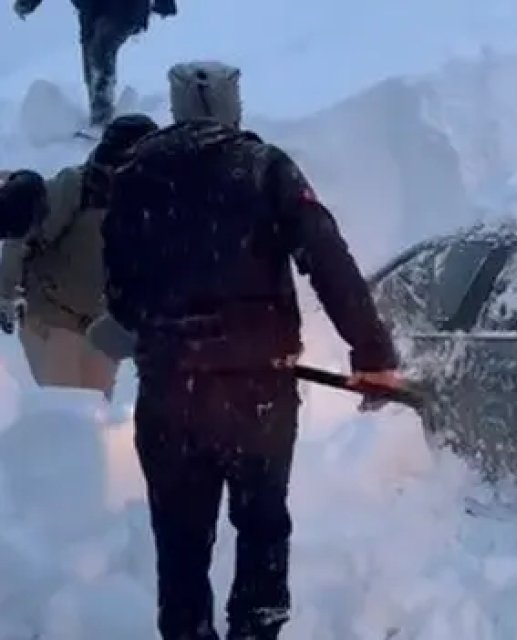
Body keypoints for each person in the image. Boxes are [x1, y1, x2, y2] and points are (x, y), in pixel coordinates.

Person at [98, 60, 402, 640]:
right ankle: (257, 630)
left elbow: (119, 296)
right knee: (262, 525)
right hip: (257, 394)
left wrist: (168, 329)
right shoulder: (265, 168)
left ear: (178, 105)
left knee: (181, 542)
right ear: (233, 105)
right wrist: (371, 353)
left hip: (170, 394)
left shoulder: (134, 177)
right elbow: (326, 255)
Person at [0, 114, 159, 399]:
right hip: (53, 320)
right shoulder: (75, 188)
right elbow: (21, 235)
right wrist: (4, 292)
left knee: (96, 407)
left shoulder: (154, 202)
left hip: (102, 326)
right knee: (64, 407)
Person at [13, 0, 178, 127]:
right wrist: (26, 3)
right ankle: (97, 117)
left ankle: (102, 117)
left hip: (126, 8)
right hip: (91, 13)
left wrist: (165, 3)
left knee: (101, 48)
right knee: (91, 63)